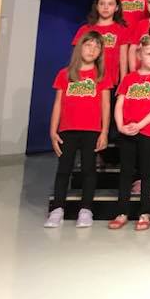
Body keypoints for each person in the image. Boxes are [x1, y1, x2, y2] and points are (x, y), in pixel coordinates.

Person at [45, 32, 113, 228]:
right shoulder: (65, 74)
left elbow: (106, 105)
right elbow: (58, 104)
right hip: (67, 129)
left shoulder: (101, 75)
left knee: (88, 170)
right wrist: (53, 131)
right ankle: (57, 209)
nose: (92, 50)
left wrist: (104, 132)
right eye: (88, 45)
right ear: (79, 47)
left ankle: (86, 210)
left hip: (92, 130)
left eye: (97, 47)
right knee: (63, 169)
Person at [109, 36, 150, 231]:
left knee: (146, 172)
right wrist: (120, 126)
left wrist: (140, 124)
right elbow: (119, 104)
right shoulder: (129, 78)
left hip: (148, 131)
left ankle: (145, 212)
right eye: (149, 54)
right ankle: (122, 212)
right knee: (126, 172)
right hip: (127, 131)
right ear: (139, 55)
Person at [72, 0, 129, 85]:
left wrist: (123, 83)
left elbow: (123, 58)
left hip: (111, 82)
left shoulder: (121, 29)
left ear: (116, 7)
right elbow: (76, 56)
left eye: (110, 4)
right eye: (102, 3)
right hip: (86, 81)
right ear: (97, 6)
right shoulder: (85, 29)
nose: (106, 7)